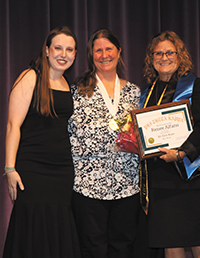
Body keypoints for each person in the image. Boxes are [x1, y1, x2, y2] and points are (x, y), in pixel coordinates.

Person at [3, 26, 81, 258]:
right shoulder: (30, 77)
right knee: (33, 227)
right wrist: (9, 168)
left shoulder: (68, 85)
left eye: (69, 49)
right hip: (33, 169)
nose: (63, 54)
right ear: (47, 50)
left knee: (58, 226)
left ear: (75, 54)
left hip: (62, 171)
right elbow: (12, 126)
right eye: (58, 48)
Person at [139, 31, 200, 258]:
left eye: (170, 52)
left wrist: (181, 153)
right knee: (170, 243)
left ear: (179, 55)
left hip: (189, 176)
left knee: (199, 242)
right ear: (151, 58)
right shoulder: (147, 92)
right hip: (160, 180)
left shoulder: (195, 85)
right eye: (158, 53)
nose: (164, 57)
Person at [68, 28, 141, 258]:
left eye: (109, 48)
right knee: (93, 249)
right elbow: (78, 136)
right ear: (91, 55)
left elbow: (140, 135)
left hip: (128, 185)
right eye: (98, 50)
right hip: (89, 185)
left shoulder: (134, 93)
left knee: (123, 247)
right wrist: (119, 132)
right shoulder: (78, 91)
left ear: (119, 52)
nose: (104, 55)